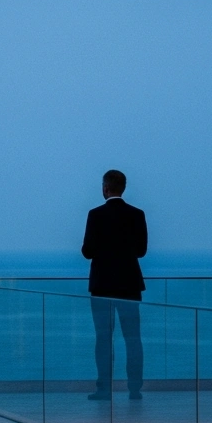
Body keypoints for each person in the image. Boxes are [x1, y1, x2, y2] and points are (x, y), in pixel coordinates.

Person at [81, 169, 148, 400]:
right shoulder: (137, 214)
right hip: (129, 285)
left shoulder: (95, 215)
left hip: (102, 286)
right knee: (133, 338)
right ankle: (135, 388)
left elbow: (87, 252)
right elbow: (141, 251)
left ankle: (104, 389)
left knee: (103, 337)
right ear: (123, 188)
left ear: (105, 188)